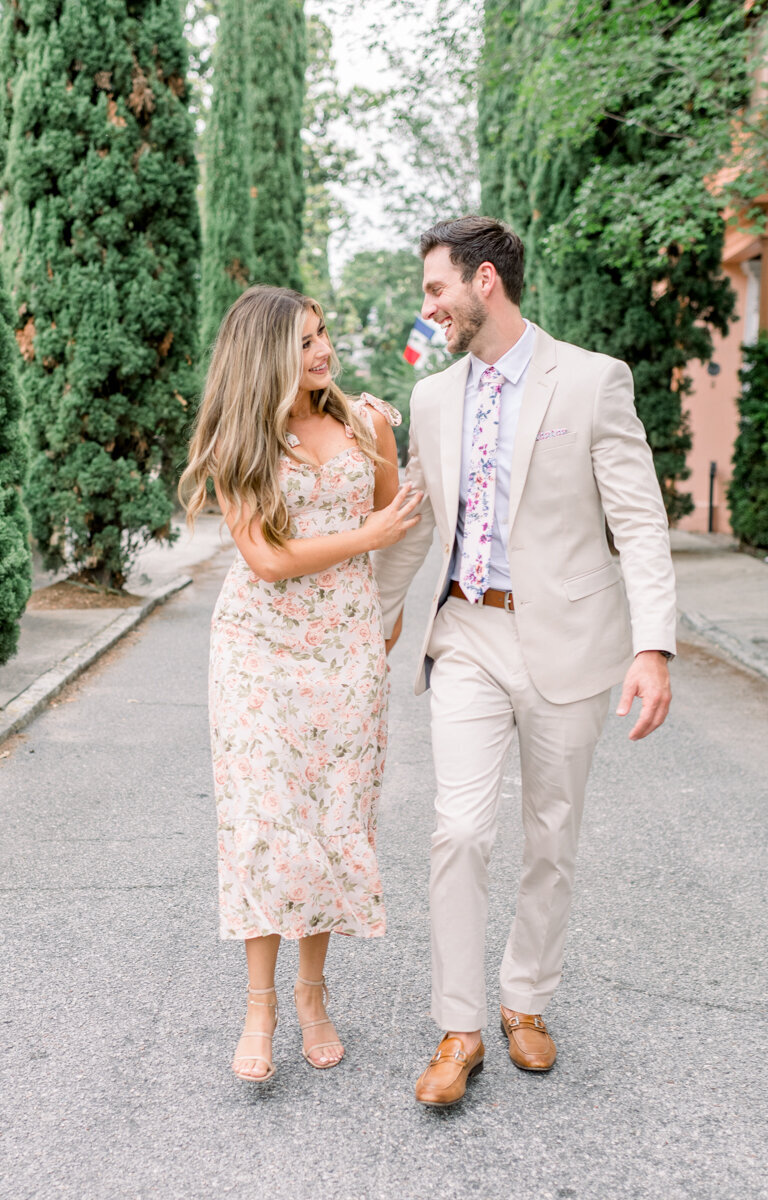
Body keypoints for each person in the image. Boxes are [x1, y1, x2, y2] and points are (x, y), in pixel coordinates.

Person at [373, 216, 676, 1107]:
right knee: (458, 829)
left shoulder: (590, 381)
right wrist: (374, 615)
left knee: (552, 834)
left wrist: (652, 645)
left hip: (570, 642)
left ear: (484, 285)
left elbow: (641, 521)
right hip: (465, 632)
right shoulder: (432, 397)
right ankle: (459, 1025)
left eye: (436, 289)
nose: (426, 308)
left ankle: (526, 1000)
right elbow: (417, 523)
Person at [181, 286, 421, 1083]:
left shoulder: (368, 422)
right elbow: (268, 560)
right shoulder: (241, 442)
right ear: (267, 354)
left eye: (325, 336)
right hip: (259, 649)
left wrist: (383, 616)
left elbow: (397, 523)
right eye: (306, 341)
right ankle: (260, 1006)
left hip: (346, 650)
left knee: (328, 822)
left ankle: (313, 996)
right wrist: (369, 537)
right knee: (265, 822)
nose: (324, 352)